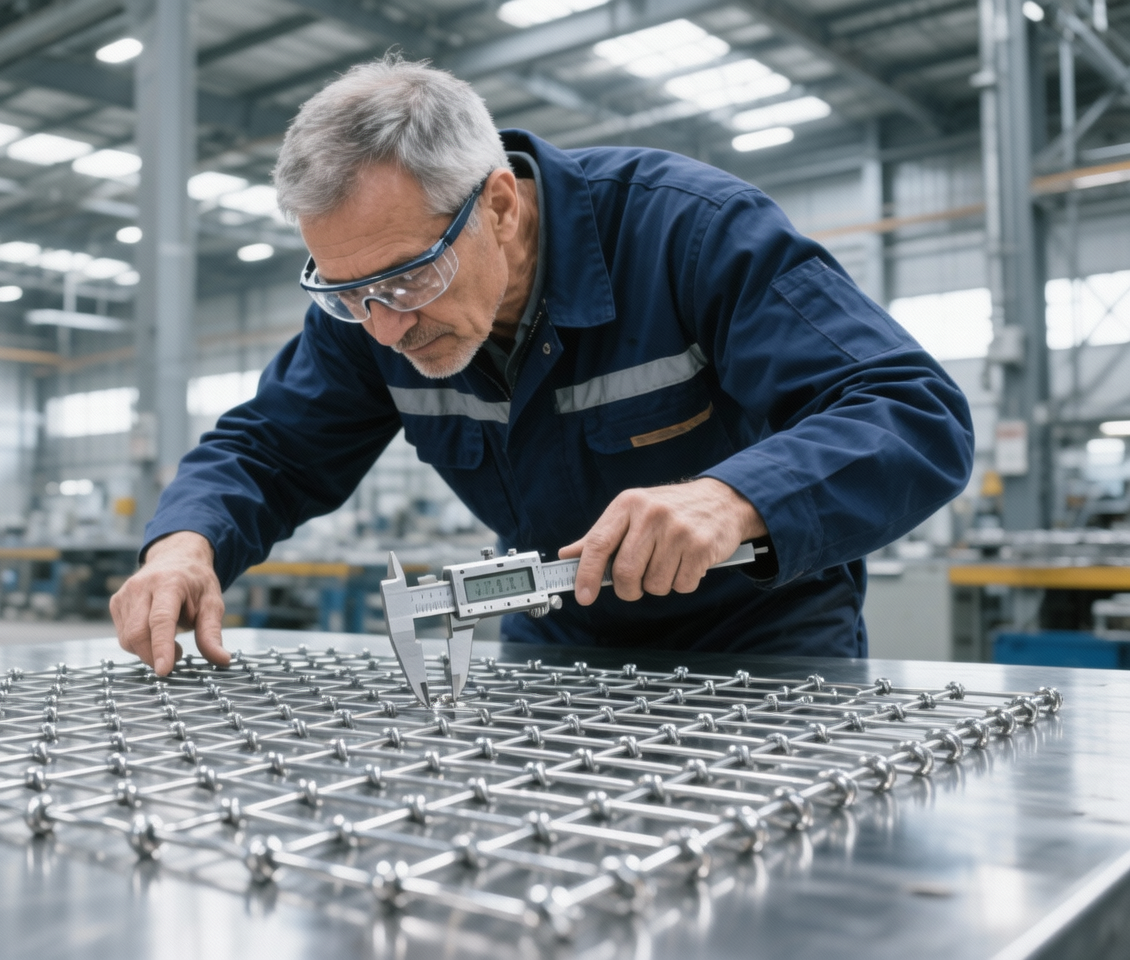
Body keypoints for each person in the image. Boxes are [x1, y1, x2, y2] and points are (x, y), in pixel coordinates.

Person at [111, 57, 973, 676]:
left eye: (409, 277)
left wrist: (733, 498)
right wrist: (185, 545)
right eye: (347, 292)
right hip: (556, 649)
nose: (384, 326)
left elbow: (912, 412)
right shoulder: (371, 302)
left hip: (765, 647)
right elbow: (270, 450)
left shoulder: (689, 233)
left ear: (499, 204)